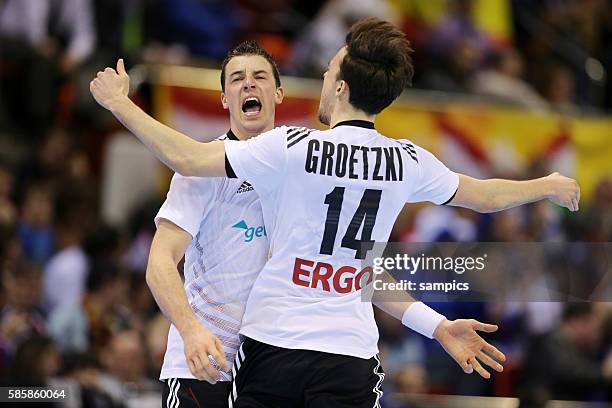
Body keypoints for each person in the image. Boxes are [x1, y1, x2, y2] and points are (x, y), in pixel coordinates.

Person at [90, 17, 580, 407]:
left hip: (269, 348)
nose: (323, 78)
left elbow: (185, 155)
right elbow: (481, 196)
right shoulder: (406, 160)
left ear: (339, 88)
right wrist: (547, 185)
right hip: (326, 352)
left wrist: (120, 104)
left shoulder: (293, 148)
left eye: (327, 73)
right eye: (237, 79)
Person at [146, 41, 283, 407]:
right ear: (225, 99)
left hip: (271, 367)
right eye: (237, 79)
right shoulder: (200, 170)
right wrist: (190, 331)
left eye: (259, 77)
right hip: (204, 363)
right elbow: (159, 263)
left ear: (279, 93)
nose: (249, 84)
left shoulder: (298, 167)